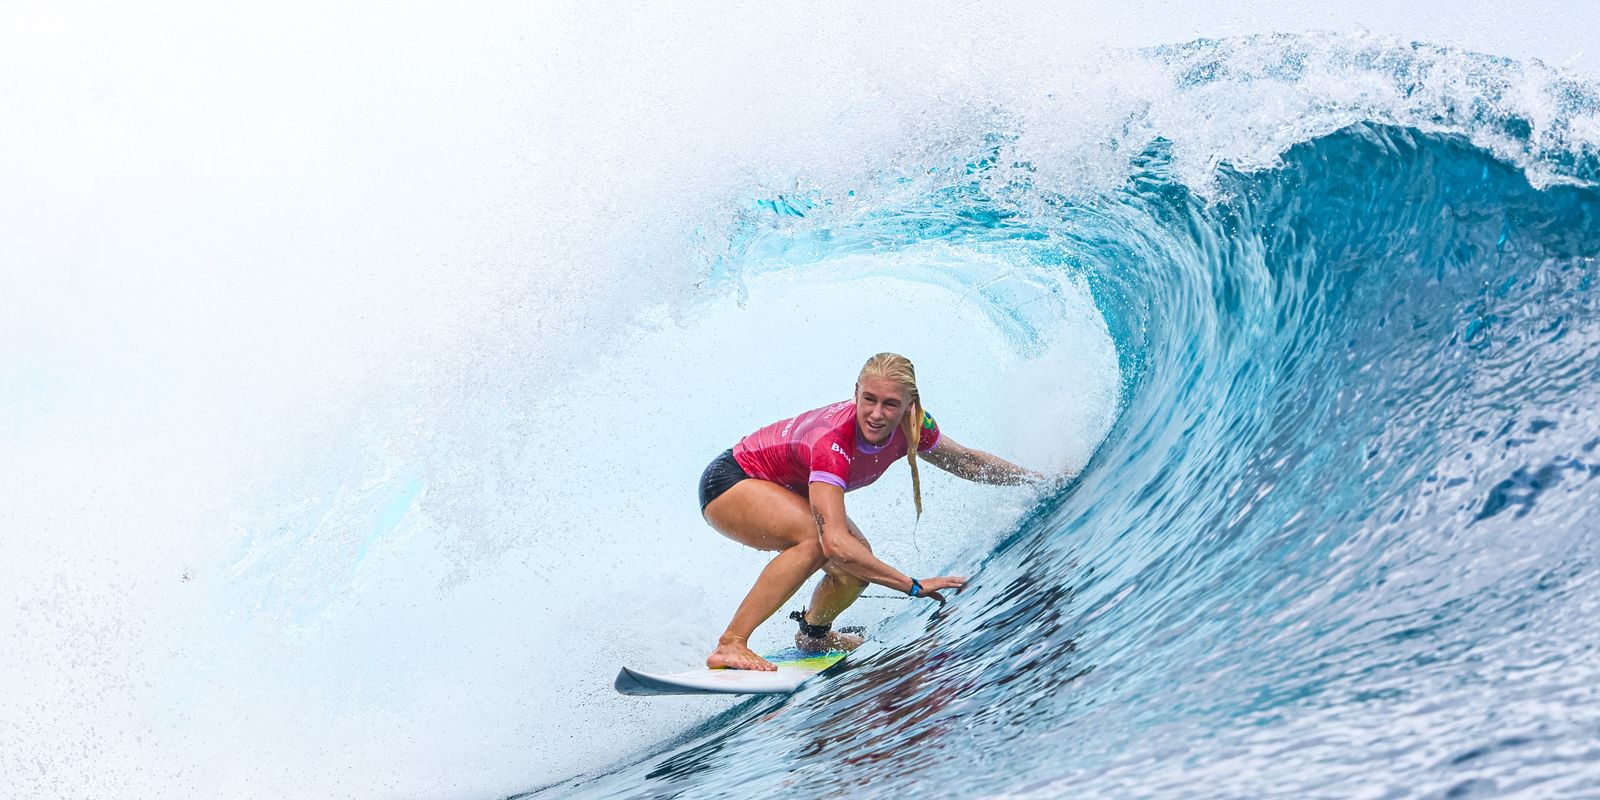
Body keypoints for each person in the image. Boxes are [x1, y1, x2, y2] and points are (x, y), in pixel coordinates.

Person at [697, 352, 1048, 671]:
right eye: (869, 400)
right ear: (856, 393)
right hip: (733, 481)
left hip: (785, 487)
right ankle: (731, 642)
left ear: (910, 405)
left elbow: (967, 461)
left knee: (858, 561)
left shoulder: (916, 425)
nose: (877, 414)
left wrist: (1037, 480)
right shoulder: (831, 441)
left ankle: (814, 636)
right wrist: (912, 586)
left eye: (890, 404)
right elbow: (833, 543)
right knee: (820, 542)